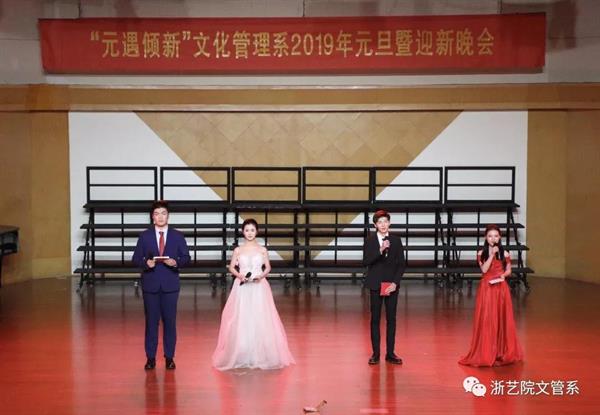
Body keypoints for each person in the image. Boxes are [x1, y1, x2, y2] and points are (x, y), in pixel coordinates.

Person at [212, 218, 295, 370]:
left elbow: (268, 267)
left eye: (252, 230)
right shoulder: (238, 250)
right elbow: (231, 267)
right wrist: (240, 275)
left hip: (259, 286)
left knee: (260, 316)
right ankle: (243, 352)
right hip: (242, 287)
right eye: (247, 230)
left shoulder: (262, 250)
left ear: (257, 232)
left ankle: (260, 353)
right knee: (242, 317)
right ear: (243, 232)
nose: (249, 233)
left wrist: (261, 276)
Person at [132, 200, 190, 370]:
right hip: (150, 285)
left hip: (170, 286)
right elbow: (135, 259)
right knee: (151, 323)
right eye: (157, 214)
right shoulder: (145, 236)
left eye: (163, 213)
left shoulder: (178, 236)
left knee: (170, 323)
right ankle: (150, 358)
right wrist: (146, 263)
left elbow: (186, 258)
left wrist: (175, 262)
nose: (160, 217)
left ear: (168, 216)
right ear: (152, 217)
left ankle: (169, 357)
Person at [459, 224, 523, 367]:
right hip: (487, 288)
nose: (493, 238)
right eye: (490, 236)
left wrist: (504, 275)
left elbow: (509, 270)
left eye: (495, 236)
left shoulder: (505, 253)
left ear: (499, 237)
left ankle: (501, 351)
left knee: (501, 319)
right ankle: (486, 352)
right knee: (488, 319)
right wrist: (492, 255)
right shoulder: (481, 253)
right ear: (485, 238)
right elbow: (484, 269)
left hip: (501, 289)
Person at [363, 209, 406, 365]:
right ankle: (375, 354)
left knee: (391, 319)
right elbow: (366, 261)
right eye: (380, 222)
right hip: (375, 284)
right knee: (375, 319)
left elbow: (401, 264)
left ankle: (390, 353)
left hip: (391, 285)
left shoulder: (396, 240)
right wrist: (380, 250)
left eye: (385, 221)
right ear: (375, 225)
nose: (383, 225)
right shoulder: (370, 241)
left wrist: (395, 283)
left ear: (389, 223)